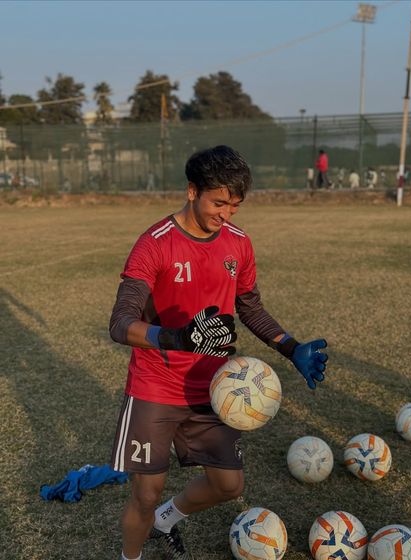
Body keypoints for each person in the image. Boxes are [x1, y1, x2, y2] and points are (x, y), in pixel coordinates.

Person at [109, 145, 329, 560]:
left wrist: (291, 347)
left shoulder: (239, 244)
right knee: (145, 493)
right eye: (219, 202)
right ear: (192, 191)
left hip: (215, 388)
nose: (226, 213)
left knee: (229, 486)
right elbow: (120, 323)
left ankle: (166, 520)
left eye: (235, 205)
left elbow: (250, 306)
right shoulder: (154, 244)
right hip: (155, 386)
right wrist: (177, 337)